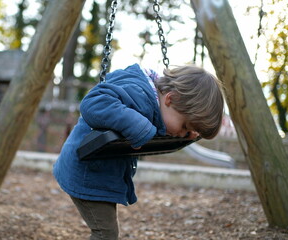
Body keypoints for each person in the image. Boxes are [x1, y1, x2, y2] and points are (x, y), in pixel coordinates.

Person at [53, 63, 224, 239]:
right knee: (105, 233)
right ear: (170, 99)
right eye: (184, 127)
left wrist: (188, 134)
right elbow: (93, 103)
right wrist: (139, 128)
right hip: (85, 172)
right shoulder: (136, 93)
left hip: (98, 172)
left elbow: (162, 122)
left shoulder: (156, 102)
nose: (182, 134)